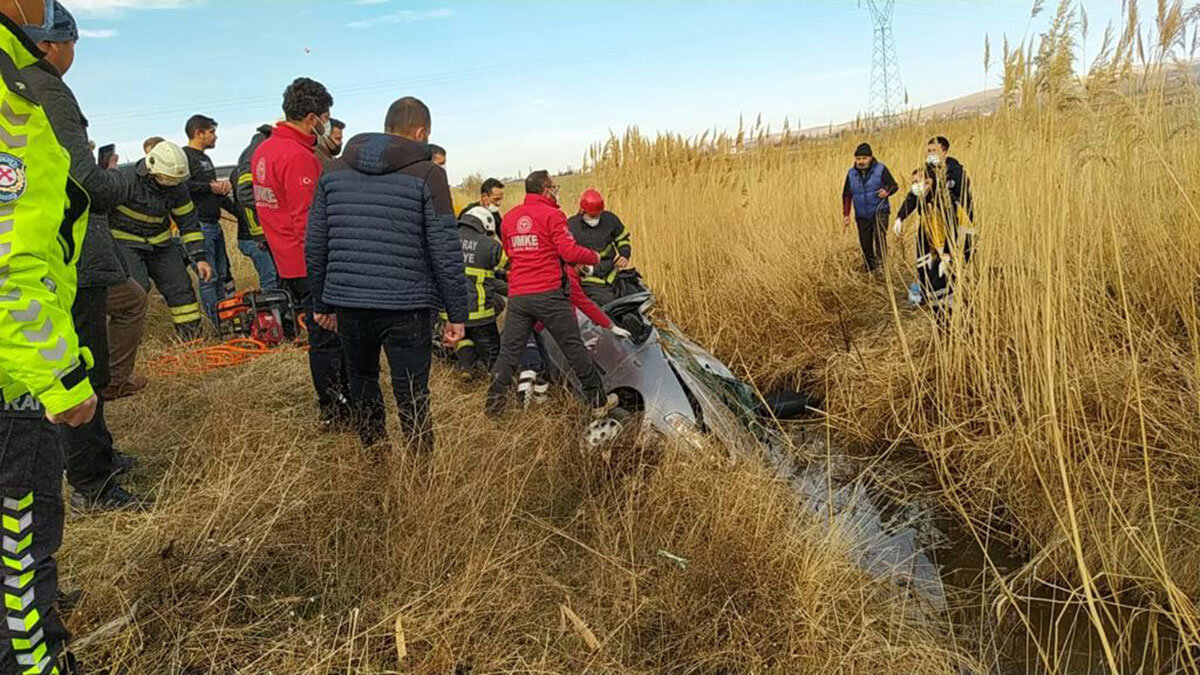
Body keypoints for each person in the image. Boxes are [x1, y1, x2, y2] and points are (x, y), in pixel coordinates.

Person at [0, 2, 102, 671]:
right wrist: (60, 376)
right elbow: (8, 262)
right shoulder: (12, 100)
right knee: (20, 548)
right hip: (13, 380)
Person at [21, 1, 145, 511]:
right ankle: (92, 484)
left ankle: (99, 456)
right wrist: (130, 181)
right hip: (66, 255)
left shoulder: (22, 83)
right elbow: (83, 180)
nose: (74, 52)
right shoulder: (46, 86)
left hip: (50, 249)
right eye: (73, 42)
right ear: (52, 44)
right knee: (79, 365)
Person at [306, 96, 468, 450]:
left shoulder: (332, 171)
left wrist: (321, 303)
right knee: (412, 390)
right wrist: (456, 313)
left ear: (387, 126)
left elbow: (316, 243)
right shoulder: (429, 174)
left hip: (349, 301)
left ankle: (374, 452)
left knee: (362, 379)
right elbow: (445, 249)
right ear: (422, 132)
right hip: (408, 305)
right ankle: (419, 464)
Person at [253, 77, 350, 427]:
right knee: (328, 337)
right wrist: (327, 268)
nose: (326, 123)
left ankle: (334, 403)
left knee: (320, 335)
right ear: (312, 118)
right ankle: (336, 409)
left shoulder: (264, 150)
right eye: (325, 117)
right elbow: (309, 223)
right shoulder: (297, 157)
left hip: (286, 260)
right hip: (309, 264)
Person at [485, 171, 618, 418]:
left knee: (509, 353)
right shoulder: (553, 215)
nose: (556, 190)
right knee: (574, 348)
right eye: (554, 186)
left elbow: (511, 252)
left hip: (519, 296)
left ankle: (493, 408)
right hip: (548, 294)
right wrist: (594, 256)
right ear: (545, 190)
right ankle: (598, 401)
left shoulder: (510, 218)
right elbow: (569, 252)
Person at [111, 140, 213, 339]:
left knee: (180, 287)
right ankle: (127, 341)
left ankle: (192, 340)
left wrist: (200, 258)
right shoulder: (125, 179)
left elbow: (188, 223)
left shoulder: (178, 187)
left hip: (161, 244)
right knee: (136, 289)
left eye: (175, 180)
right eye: (167, 179)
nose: (171, 184)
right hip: (125, 242)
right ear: (151, 168)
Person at [893, 164, 972, 323]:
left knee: (942, 277)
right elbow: (910, 200)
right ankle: (930, 300)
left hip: (956, 240)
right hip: (933, 238)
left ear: (929, 182)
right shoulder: (924, 196)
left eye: (918, 182)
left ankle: (950, 314)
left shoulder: (945, 200)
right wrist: (900, 217)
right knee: (925, 269)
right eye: (913, 183)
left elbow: (955, 229)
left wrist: (948, 254)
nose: (915, 186)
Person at [183, 114, 234, 325]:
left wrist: (221, 189)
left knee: (221, 274)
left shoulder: (206, 159)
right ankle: (217, 324)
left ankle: (227, 320)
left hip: (214, 224)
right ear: (199, 133)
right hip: (200, 225)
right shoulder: (185, 157)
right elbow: (183, 187)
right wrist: (209, 187)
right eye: (211, 132)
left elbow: (211, 189)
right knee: (208, 277)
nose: (215, 136)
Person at [452, 206, 507, 379]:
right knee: (492, 353)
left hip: (453, 313)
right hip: (481, 313)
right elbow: (509, 265)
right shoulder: (490, 245)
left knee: (463, 338)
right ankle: (498, 380)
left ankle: (467, 366)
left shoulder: (448, 239)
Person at [566, 188, 633, 306]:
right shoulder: (571, 226)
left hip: (612, 274)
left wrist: (624, 254)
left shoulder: (610, 219)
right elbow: (568, 253)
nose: (596, 218)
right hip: (588, 279)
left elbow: (622, 238)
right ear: (582, 210)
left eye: (598, 215)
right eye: (592, 216)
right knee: (606, 303)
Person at [231, 124, 277, 291]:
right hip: (255, 238)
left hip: (256, 237)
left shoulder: (247, 162)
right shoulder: (254, 162)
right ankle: (274, 306)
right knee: (271, 279)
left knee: (275, 278)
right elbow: (246, 196)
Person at [842, 142, 899, 272]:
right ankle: (871, 269)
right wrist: (846, 214)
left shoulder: (881, 169)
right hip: (862, 214)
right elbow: (846, 195)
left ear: (871, 157)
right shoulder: (851, 174)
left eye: (864, 158)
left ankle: (883, 268)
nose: (861, 161)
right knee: (865, 244)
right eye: (858, 158)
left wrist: (886, 191)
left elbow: (894, 185)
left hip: (880, 211)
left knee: (879, 238)